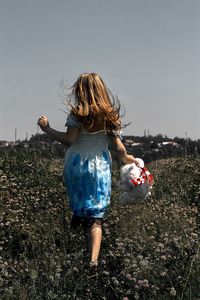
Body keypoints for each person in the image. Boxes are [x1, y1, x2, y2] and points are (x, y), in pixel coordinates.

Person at [37, 72, 138, 268]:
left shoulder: (77, 114)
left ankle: (77, 245)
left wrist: (47, 129)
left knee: (81, 209)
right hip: (99, 168)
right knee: (96, 216)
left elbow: (69, 140)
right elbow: (118, 149)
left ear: (79, 90)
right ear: (101, 90)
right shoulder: (110, 116)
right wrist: (128, 159)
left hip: (76, 166)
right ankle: (93, 260)